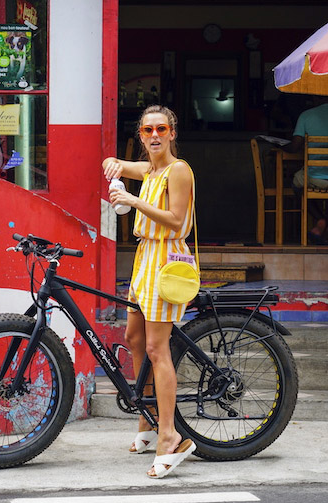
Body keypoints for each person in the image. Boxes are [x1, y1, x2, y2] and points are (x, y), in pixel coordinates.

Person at [102, 105, 197, 479]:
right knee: (133, 337)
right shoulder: (151, 169)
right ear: (140, 135)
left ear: (172, 132)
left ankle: (170, 435)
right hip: (144, 259)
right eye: (147, 130)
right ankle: (148, 418)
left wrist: (134, 201)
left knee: (158, 349)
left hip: (167, 260)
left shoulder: (179, 170)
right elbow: (124, 166)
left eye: (161, 129)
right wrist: (112, 162)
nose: (154, 135)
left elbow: (176, 220)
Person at [283, 96, 328, 244]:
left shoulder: (306, 115)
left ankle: (321, 220)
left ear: (315, 97)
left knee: (296, 185)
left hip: (315, 178)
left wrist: (283, 145)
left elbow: (295, 147)